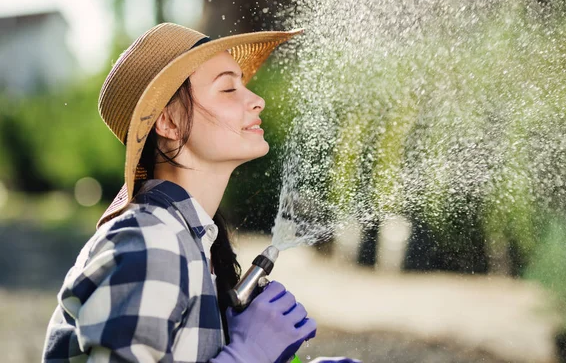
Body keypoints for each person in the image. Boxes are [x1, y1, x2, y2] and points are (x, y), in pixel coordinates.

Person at [41, 23, 360, 363]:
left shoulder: (190, 240)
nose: (256, 100)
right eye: (227, 89)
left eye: (243, 85)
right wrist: (247, 354)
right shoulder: (152, 242)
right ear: (169, 123)